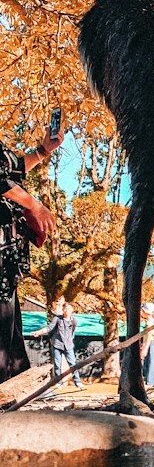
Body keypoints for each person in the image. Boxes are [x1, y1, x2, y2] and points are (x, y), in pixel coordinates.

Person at [0, 124, 64, 384]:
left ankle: (9, 398)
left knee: (9, 330)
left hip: (7, 256)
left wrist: (42, 150)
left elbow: (12, 172)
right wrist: (35, 206)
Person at [34, 299, 84, 389]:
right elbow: (49, 328)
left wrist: (70, 341)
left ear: (72, 310)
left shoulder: (74, 321)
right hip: (57, 344)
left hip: (68, 345)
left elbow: (72, 332)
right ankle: (58, 382)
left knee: (73, 364)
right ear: (63, 309)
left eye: (68, 309)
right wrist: (39, 332)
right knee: (57, 364)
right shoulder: (57, 319)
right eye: (65, 309)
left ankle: (78, 382)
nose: (66, 311)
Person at [139, 302, 154, 390]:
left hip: (152, 343)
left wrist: (145, 347)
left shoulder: (149, 322)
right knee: (153, 362)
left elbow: (149, 336)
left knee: (151, 362)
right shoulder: (153, 321)